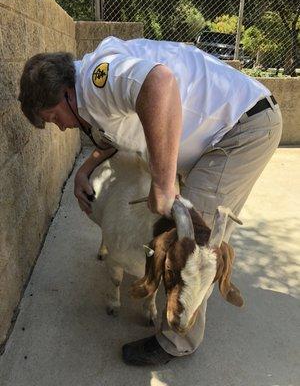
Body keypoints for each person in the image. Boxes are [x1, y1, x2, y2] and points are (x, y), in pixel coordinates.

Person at [18, 36, 282, 366]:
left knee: (192, 244)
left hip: (240, 130)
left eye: (53, 117)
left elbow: (159, 83)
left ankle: (175, 340)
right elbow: (117, 139)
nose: (59, 128)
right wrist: (84, 171)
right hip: (226, 130)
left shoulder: (99, 78)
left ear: (63, 94)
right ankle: (178, 301)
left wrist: (162, 181)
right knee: (182, 236)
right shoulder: (91, 95)